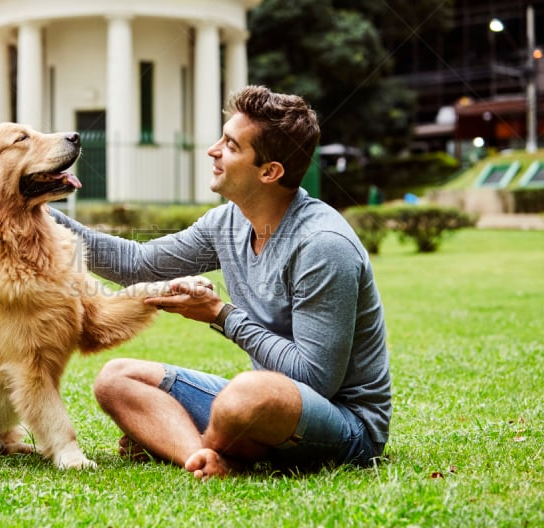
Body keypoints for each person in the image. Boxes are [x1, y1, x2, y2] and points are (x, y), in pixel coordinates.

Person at [49, 85, 391, 480]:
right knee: (116, 379)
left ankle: (185, 439)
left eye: (230, 145)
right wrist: (35, 209)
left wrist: (221, 315)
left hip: (346, 426)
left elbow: (314, 379)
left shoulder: (322, 246)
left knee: (248, 394)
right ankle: (205, 458)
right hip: (261, 404)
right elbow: (137, 263)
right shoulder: (228, 221)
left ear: (269, 171)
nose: (213, 150)